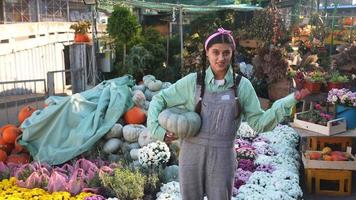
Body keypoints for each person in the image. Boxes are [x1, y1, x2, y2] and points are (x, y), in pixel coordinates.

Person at [147, 28, 310, 200]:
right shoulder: (193, 82)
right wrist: (158, 131)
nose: (221, 58)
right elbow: (160, 99)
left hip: (223, 156)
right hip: (191, 153)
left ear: (232, 53)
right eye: (215, 52)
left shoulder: (242, 86)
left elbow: (259, 122)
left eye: (226, 52)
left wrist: (292, 99)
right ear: (207, 53)